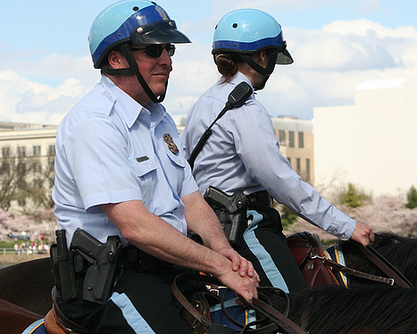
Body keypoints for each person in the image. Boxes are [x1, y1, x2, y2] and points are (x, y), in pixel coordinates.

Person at [51, 1, 258, 333]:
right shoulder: (94, 122)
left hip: (166, 271)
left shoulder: (158, 118)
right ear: (116, 59)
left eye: (168, 48)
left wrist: (224, 251)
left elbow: (190, 200)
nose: (167, 60)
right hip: (110, 284)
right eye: (152, 49)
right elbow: (134, 226)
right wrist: (218, 266)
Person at [181, 9, 375, 294]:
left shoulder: (205, 101)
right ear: (262, 57)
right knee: (297, 310)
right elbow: (281, 181)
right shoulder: (247, 109)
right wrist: (346, 226)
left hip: (210, 226)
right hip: (245, 227)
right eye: (272, 57)